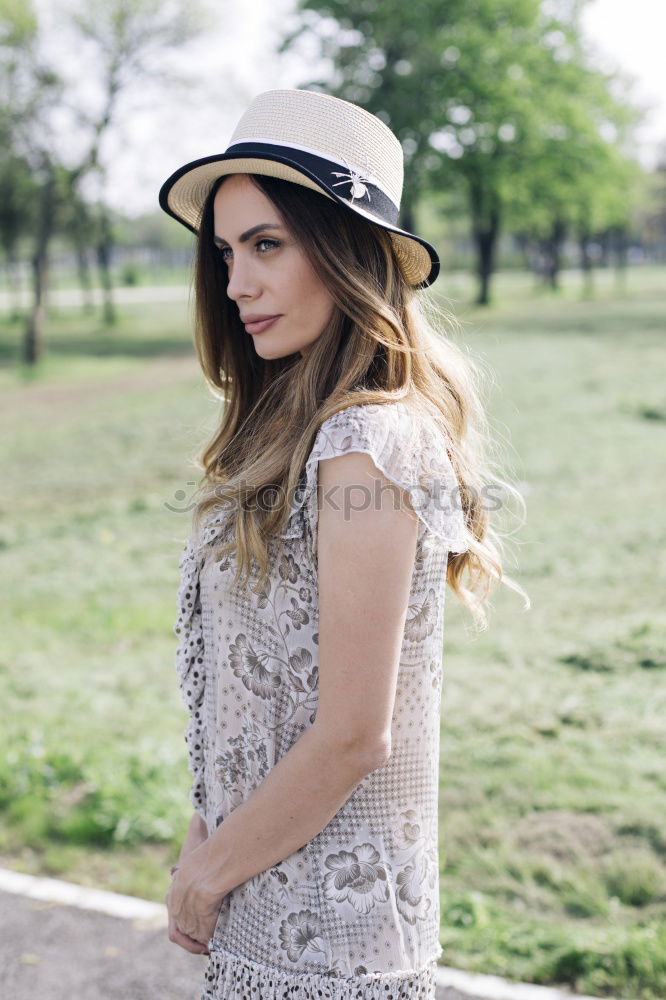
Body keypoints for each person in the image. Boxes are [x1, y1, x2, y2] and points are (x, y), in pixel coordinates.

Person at [158, 88, 529, 1000]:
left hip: (331, 939)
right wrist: (209, 837)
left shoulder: (369, 442)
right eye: (226, 252)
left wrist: (206, 876)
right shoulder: (293, 432)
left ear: (346, 251)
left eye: (268, 244)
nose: (237, 282)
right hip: (261, 896)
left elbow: (356, 732)